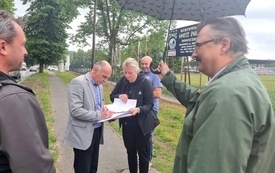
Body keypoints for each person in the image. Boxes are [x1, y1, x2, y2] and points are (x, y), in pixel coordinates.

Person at [156, 17, 275, 173]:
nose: (193, 54)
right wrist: (168, 77)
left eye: (198, 46)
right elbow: (198, 100)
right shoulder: (237, 83)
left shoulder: (228, 94)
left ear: (223, 45)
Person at [0, 10, 56, 172]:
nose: (26, 52)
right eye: (22, 44)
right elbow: (35, 168)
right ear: (3, 46)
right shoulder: (13, 99)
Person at [63, 60, 113, 173]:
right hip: (82, 134)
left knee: (93, 167)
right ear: (95, 69)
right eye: (104, 77)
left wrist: (108, 115)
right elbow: (75, 110)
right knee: (83, 168)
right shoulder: (78, 82)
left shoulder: (99, 86)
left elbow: (99, 106)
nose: (105, 81)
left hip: (97, 131)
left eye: (108, 78)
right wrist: (100, 115)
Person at [110, 58, 154, 173]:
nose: (127, 75)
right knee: (130, 152)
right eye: (125, 72)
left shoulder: (145, 83)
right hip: (127, 124)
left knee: (143, 155)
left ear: (136, 71)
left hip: (141, 125)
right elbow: (112, 95)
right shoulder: (122, 81)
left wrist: (139, 109)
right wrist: (119, 96)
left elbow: (149, 105)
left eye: (130, 73)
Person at [140, 56, 162, 166]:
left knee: (147, 135)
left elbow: (158, 94)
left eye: (146, 64)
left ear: (151, 64)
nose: (144, 66)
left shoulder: (154, 75)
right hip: (142, 109)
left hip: (151, 110)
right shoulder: (140, 74)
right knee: (141, 135)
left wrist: (142, 92)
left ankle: (148, 160)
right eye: (142, 63)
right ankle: (142, 158)